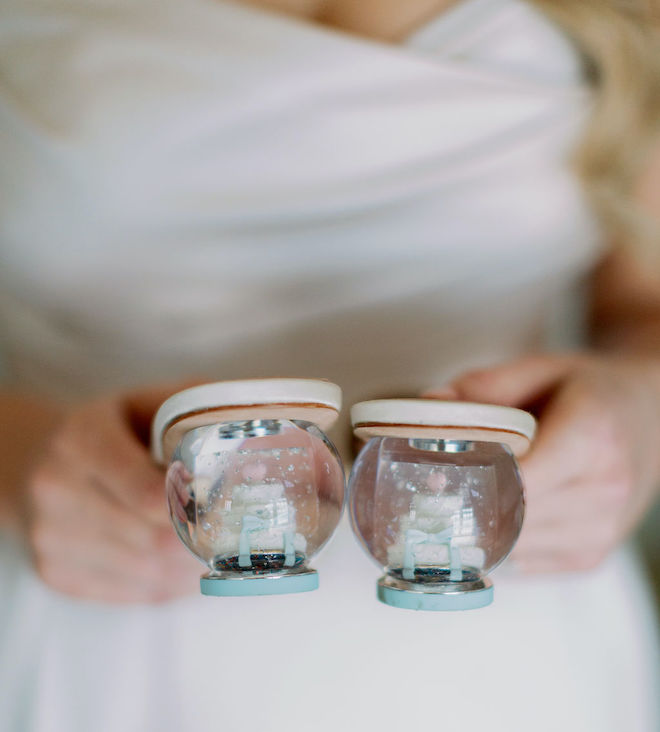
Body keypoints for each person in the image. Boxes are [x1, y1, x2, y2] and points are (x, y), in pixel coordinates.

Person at [0, 0, 659, 729]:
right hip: (102, 605)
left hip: (513, 617)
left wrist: (636, 413)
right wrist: (23, 455)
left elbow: (644, 309)